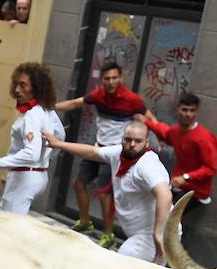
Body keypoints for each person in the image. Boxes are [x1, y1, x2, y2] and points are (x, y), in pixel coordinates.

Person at [43, 121, 172, 263]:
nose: (132, 144)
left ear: (147, 143)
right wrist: (59, 144)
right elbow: (92, 152)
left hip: (155, 232)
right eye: (128, 140)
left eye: (138, 141)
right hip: (144, 232)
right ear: (122, 139)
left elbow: (165, 195)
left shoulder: (147, 165)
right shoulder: (118, 153)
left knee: (124, 260)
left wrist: (158, 234)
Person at [55, 62, 153, 247]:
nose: (111, 82)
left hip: (116, 153)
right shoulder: (98, 95)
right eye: (107, 78)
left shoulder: (132, 99)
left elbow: (150, 118)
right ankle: (85, 222)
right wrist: (51, 106)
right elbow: (76, 103)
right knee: (78, 184)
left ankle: (108, 235)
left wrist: (159, 137)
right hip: (98, 149)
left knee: (104, 195)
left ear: (121, 79)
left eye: (114, 78)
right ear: (102, 80)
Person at [0, 62, 64, 214]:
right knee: (2, 220)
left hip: (24, 177)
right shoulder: (46, 110)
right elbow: (60, 137)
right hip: (37, 175)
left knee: (8, 229)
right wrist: (45, 158)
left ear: (37, 87)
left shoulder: (32, 115)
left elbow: (31, 153)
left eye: (23, 85)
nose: (17, 90)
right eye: (16, 84)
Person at [142, 92, 217, 213]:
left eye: (192, 110)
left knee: (168, 217)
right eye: (184, 110)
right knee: (155, 209)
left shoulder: (204, 138)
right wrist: (146, 122)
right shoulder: (175, 131)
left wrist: (186, 177)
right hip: (178, 185)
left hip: (196, 191)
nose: (188, 114)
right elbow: (165, 133)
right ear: (177, 109)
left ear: (197, 111)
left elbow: (211, 169)